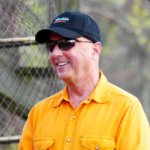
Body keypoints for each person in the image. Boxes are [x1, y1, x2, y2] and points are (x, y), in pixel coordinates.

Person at [18, 11, 150, 150]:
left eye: (66, 43)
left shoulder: (126, 108)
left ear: (95, 50)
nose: (55, 53)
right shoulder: (39, 113)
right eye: (51, 45)